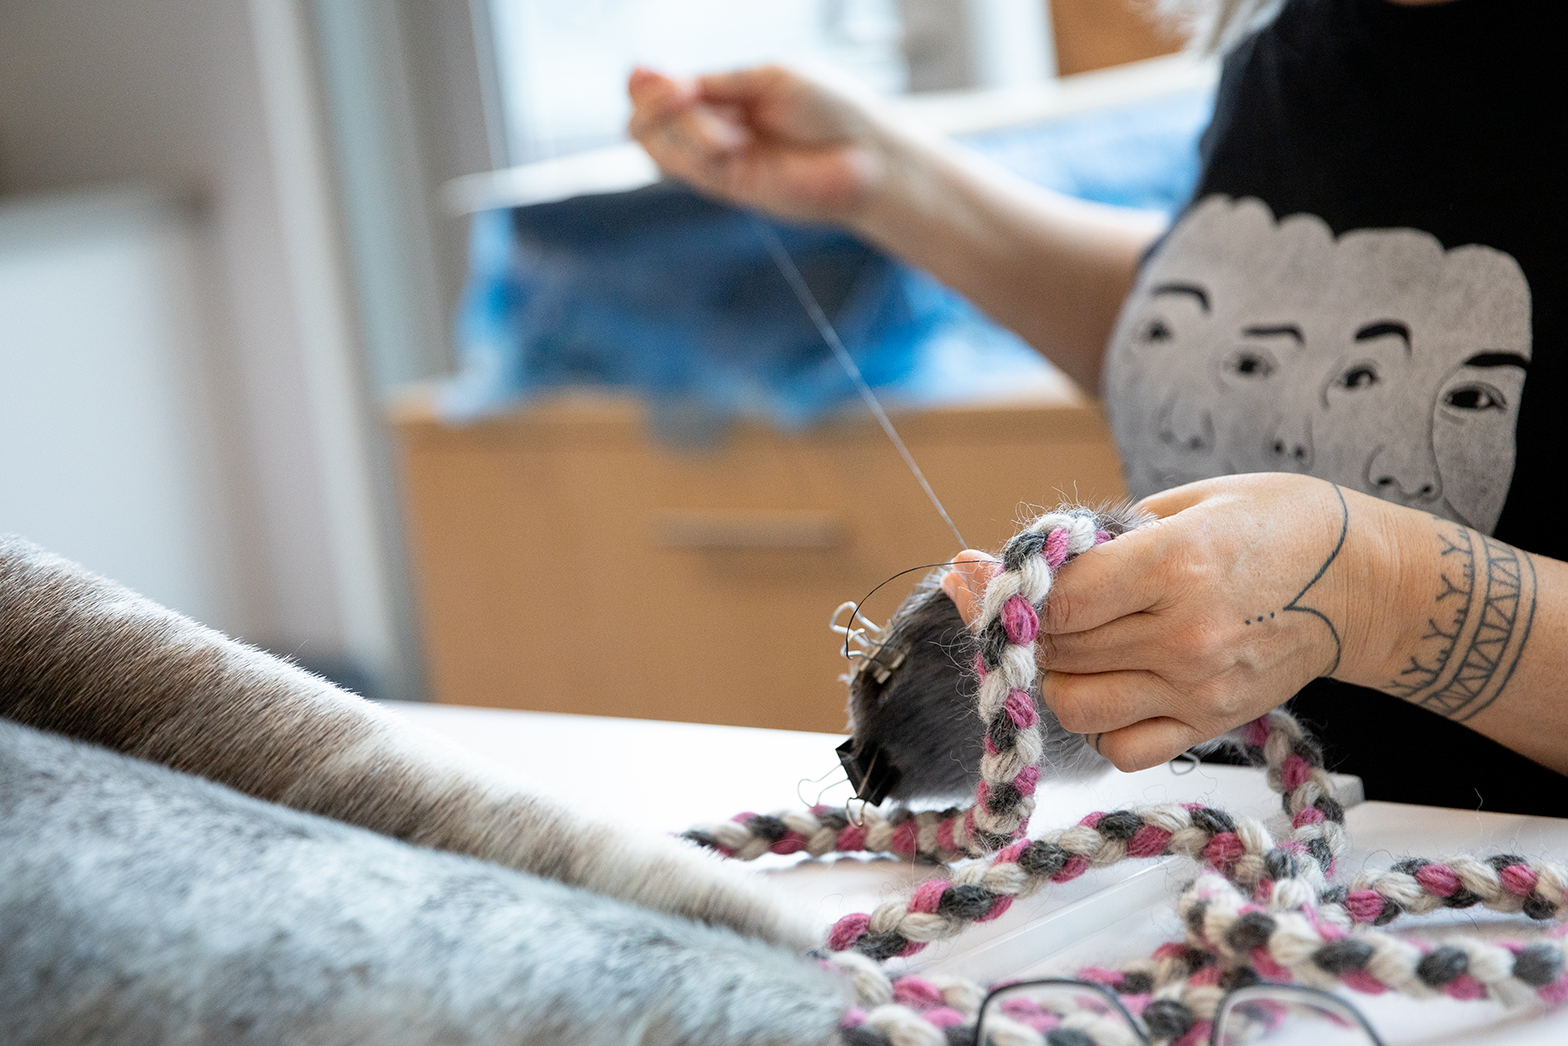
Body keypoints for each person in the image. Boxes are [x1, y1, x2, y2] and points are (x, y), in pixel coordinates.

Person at [627, 0, 1567, 815]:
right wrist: (879, 177)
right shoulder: (1293, 42)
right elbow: (1265, 338)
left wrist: (1379, 594)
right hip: (1258, 868)